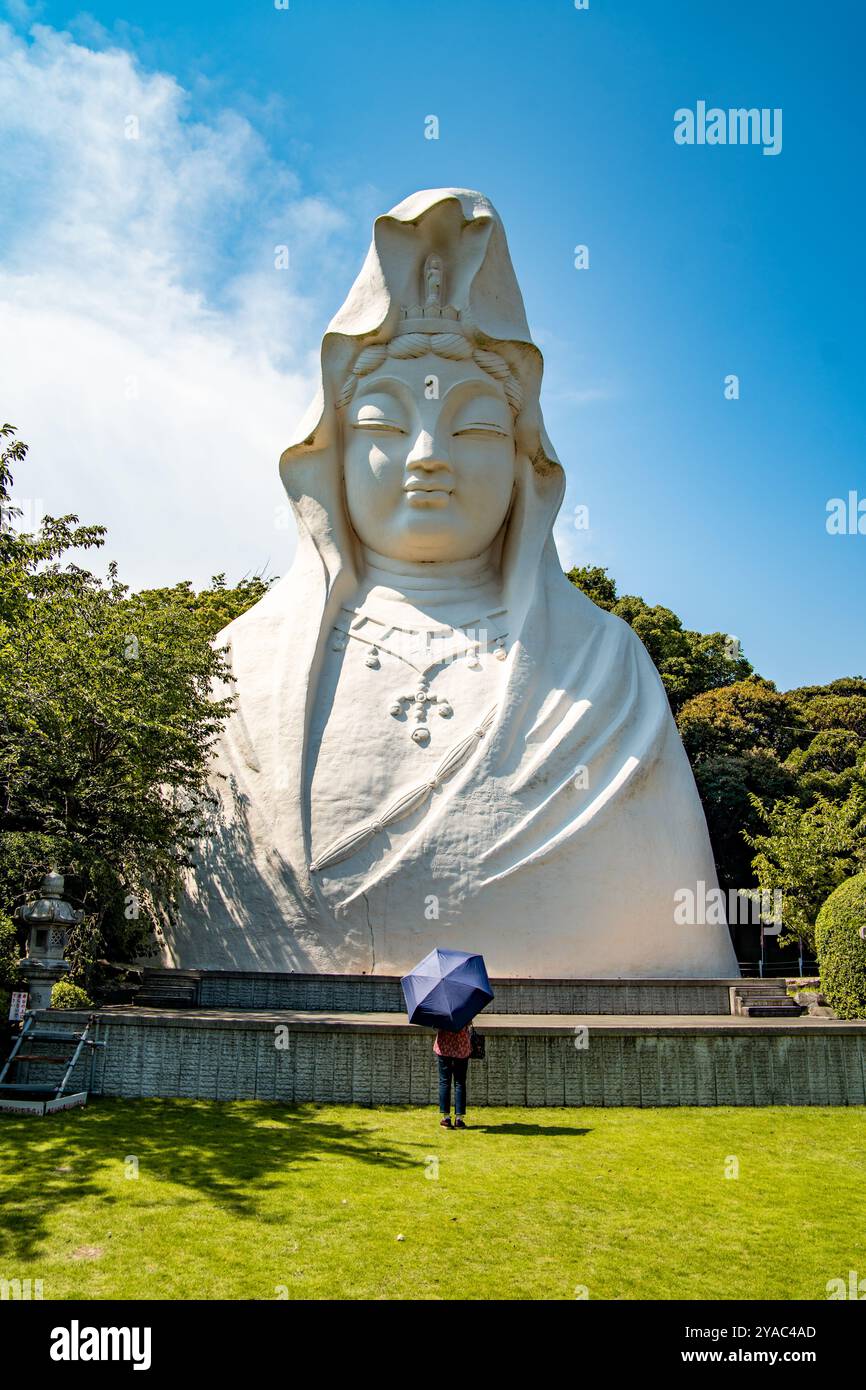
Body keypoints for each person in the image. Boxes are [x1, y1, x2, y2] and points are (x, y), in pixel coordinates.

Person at [434, 1024, 471, 1128]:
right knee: (460, 1082)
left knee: (444, 1081)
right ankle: (459, 1119)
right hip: (462, 1046)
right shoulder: (465, 1008)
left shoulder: (441, 1009)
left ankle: (446, 1118)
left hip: (444, 1046)